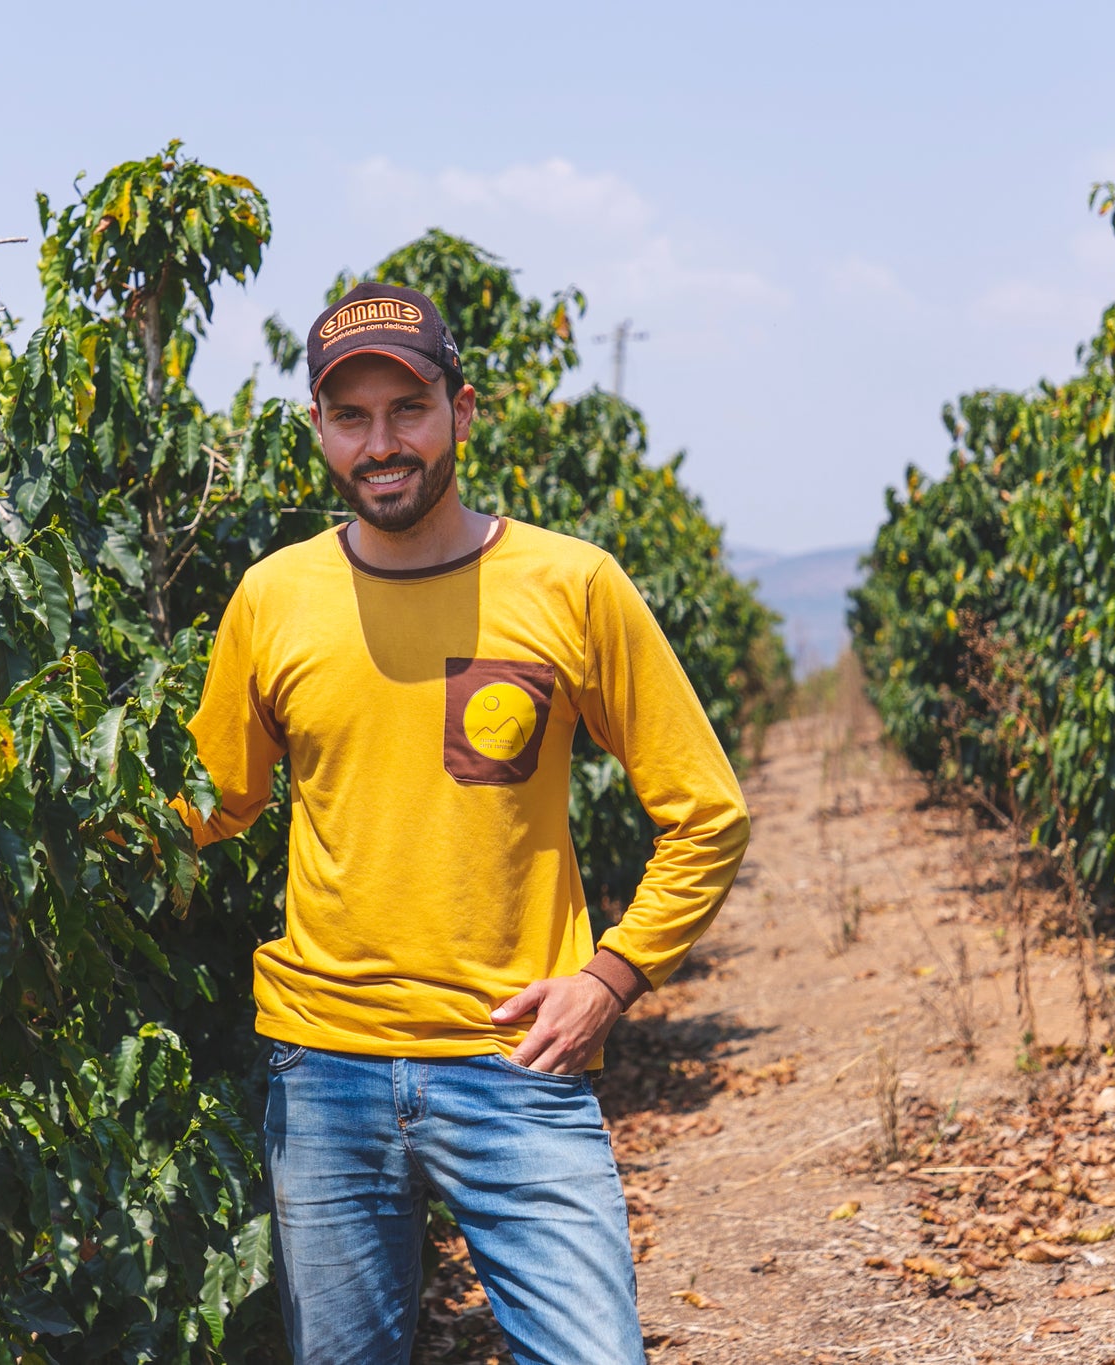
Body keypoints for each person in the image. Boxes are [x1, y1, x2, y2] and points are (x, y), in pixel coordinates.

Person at [181, 282, 751, 1364]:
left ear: (463, 410)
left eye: (408, 409)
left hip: (514, 1064)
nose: (380, 443)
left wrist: (610, 979)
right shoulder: (272, 597)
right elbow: (217, 801)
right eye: (350, 417)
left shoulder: (572, 585)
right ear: (317, 429)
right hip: (325, 1066)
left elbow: (705, 813)